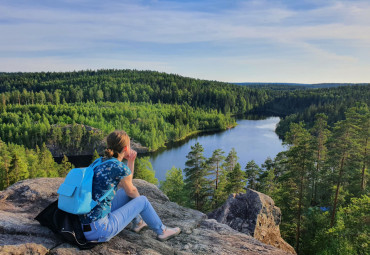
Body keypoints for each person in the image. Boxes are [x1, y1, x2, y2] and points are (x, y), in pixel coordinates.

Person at [79, 130, 181, 242]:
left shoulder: (99, 161)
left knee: (125, 193)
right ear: (126, 148)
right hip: (101, 229)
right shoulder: (118, 167)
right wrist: (140, 206)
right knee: (142, 200)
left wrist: (131, 161)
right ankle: (162, 231)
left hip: (85, 226)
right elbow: (131, 190)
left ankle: (138, 222)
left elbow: (126, 183)